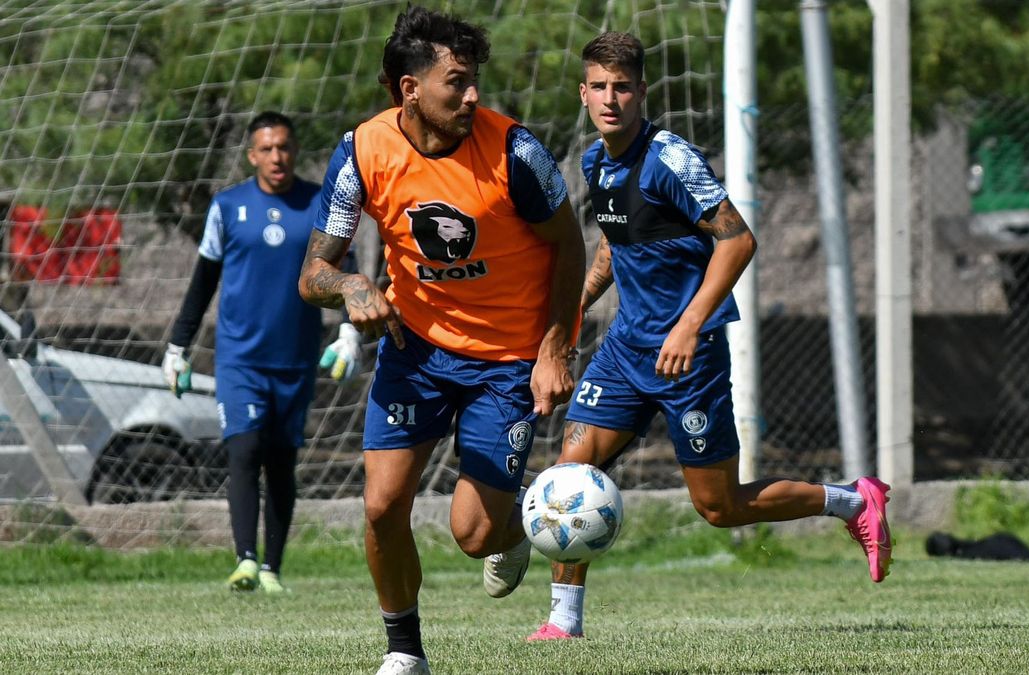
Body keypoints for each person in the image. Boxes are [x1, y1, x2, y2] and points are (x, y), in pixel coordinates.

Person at [524, 32, 894, 642]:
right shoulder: (595, 162)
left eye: (623, 87)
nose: (610, 99)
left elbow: (738, 238)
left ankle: (852, 501)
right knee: (572, 468)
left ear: (641, 92)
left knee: (719, 508)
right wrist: (567, 318)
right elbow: (615, 247)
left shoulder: (669, 159)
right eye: (599, 87)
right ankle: (565, 621)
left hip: (687, 358)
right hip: (624, 351)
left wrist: (689, 325)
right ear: (583, 93)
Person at [295, 7, 584, 674]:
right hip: (415, 349)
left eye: (475, 79)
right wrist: (352, 287)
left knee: (472, 533)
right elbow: (313, 273)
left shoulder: (516, 150)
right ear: (409, 90)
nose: (473, 94)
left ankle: (512, 529)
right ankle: (404, 652)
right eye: (457, 82)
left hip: (506, 360)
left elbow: (568, 246)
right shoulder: (363, 151)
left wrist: (554, 347)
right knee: (381, 506)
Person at [162, 111, 362, 594]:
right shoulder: (228, 207)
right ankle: (245, 560)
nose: (277, 156)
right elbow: (202, 283)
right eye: (267, 149)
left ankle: (272, 567)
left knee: (281, 460)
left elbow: (347, 269)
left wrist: (349, 331)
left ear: (294, 151)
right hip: (240, 359)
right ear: (252, 155)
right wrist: (176, 347)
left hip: (296, 358)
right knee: (245, 448)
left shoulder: (320, 203)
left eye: (284, 147)